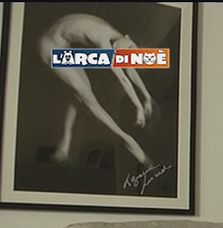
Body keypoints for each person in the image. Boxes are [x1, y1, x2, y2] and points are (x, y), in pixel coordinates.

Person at [38, 13, 154, 166]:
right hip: (49, 46)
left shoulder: (121, 39)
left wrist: (147, 97)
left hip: (62, 43)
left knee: (82, 92)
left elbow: (130, 70)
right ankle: (128, 140)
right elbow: (123, 78)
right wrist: (138, 106)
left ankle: (65, 142)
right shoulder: (102, 39)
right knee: (86, 95)